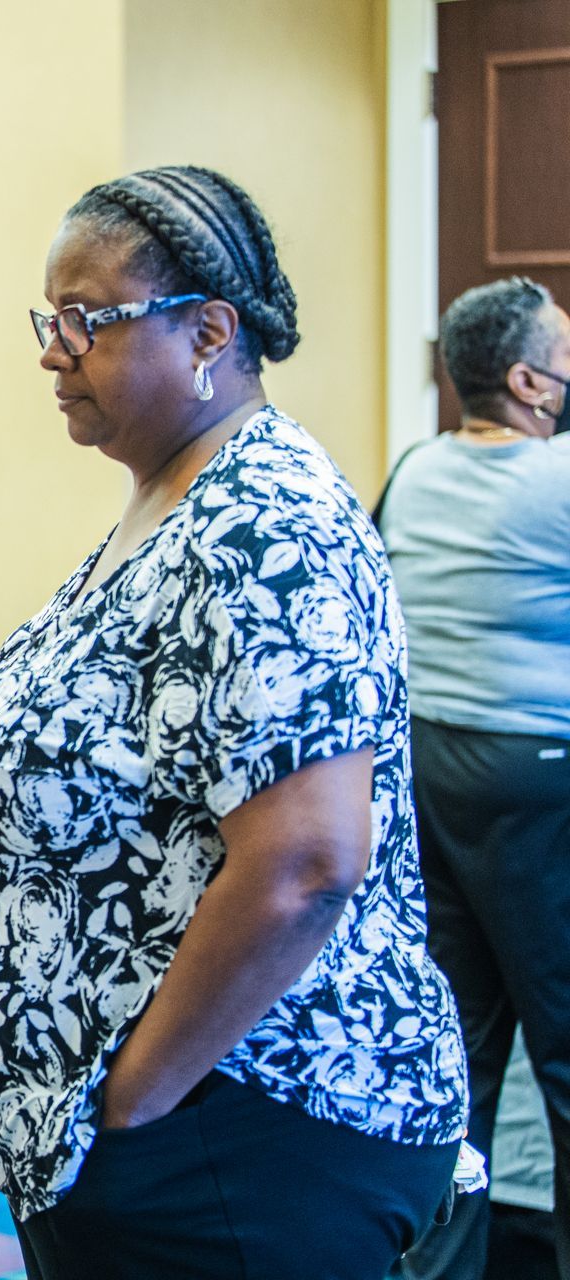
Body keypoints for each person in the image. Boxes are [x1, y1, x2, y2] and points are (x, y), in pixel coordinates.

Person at [0, 166, 468, 1279]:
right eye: (50, 317)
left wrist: (134, 1098)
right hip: (176, 1135)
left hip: (246, 1125)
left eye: (86, 319)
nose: (52, 349)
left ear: (208, 332)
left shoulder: (266, 519)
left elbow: (309, 858)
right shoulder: (176, 494)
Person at [380, 277, 570, 1280]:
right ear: (530, 379)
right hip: (538, 781)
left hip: (431, 777)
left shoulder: (413, 471)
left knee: (460, 1056)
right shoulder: (557, 481)